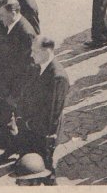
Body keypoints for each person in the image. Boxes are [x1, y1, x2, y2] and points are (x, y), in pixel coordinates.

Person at [13, 36, 70, 178]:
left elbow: (52, 114)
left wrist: (29, 124)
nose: (31, 54)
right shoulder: (38, 66)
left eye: (35, 51)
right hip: (30, 127)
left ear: (47, 51)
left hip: (43, 134)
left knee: (43, 168)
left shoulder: (58, 77)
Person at [0, 0, 37, 157]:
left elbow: (27, 68)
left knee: (16, 119)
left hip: (13, 87)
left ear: (14, 12)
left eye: (2, 15)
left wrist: (14, 94)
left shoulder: (26, 32)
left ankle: (17, 150)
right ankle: (8, 144)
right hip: (1, 83)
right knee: (1, 116)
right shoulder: (6, 25)